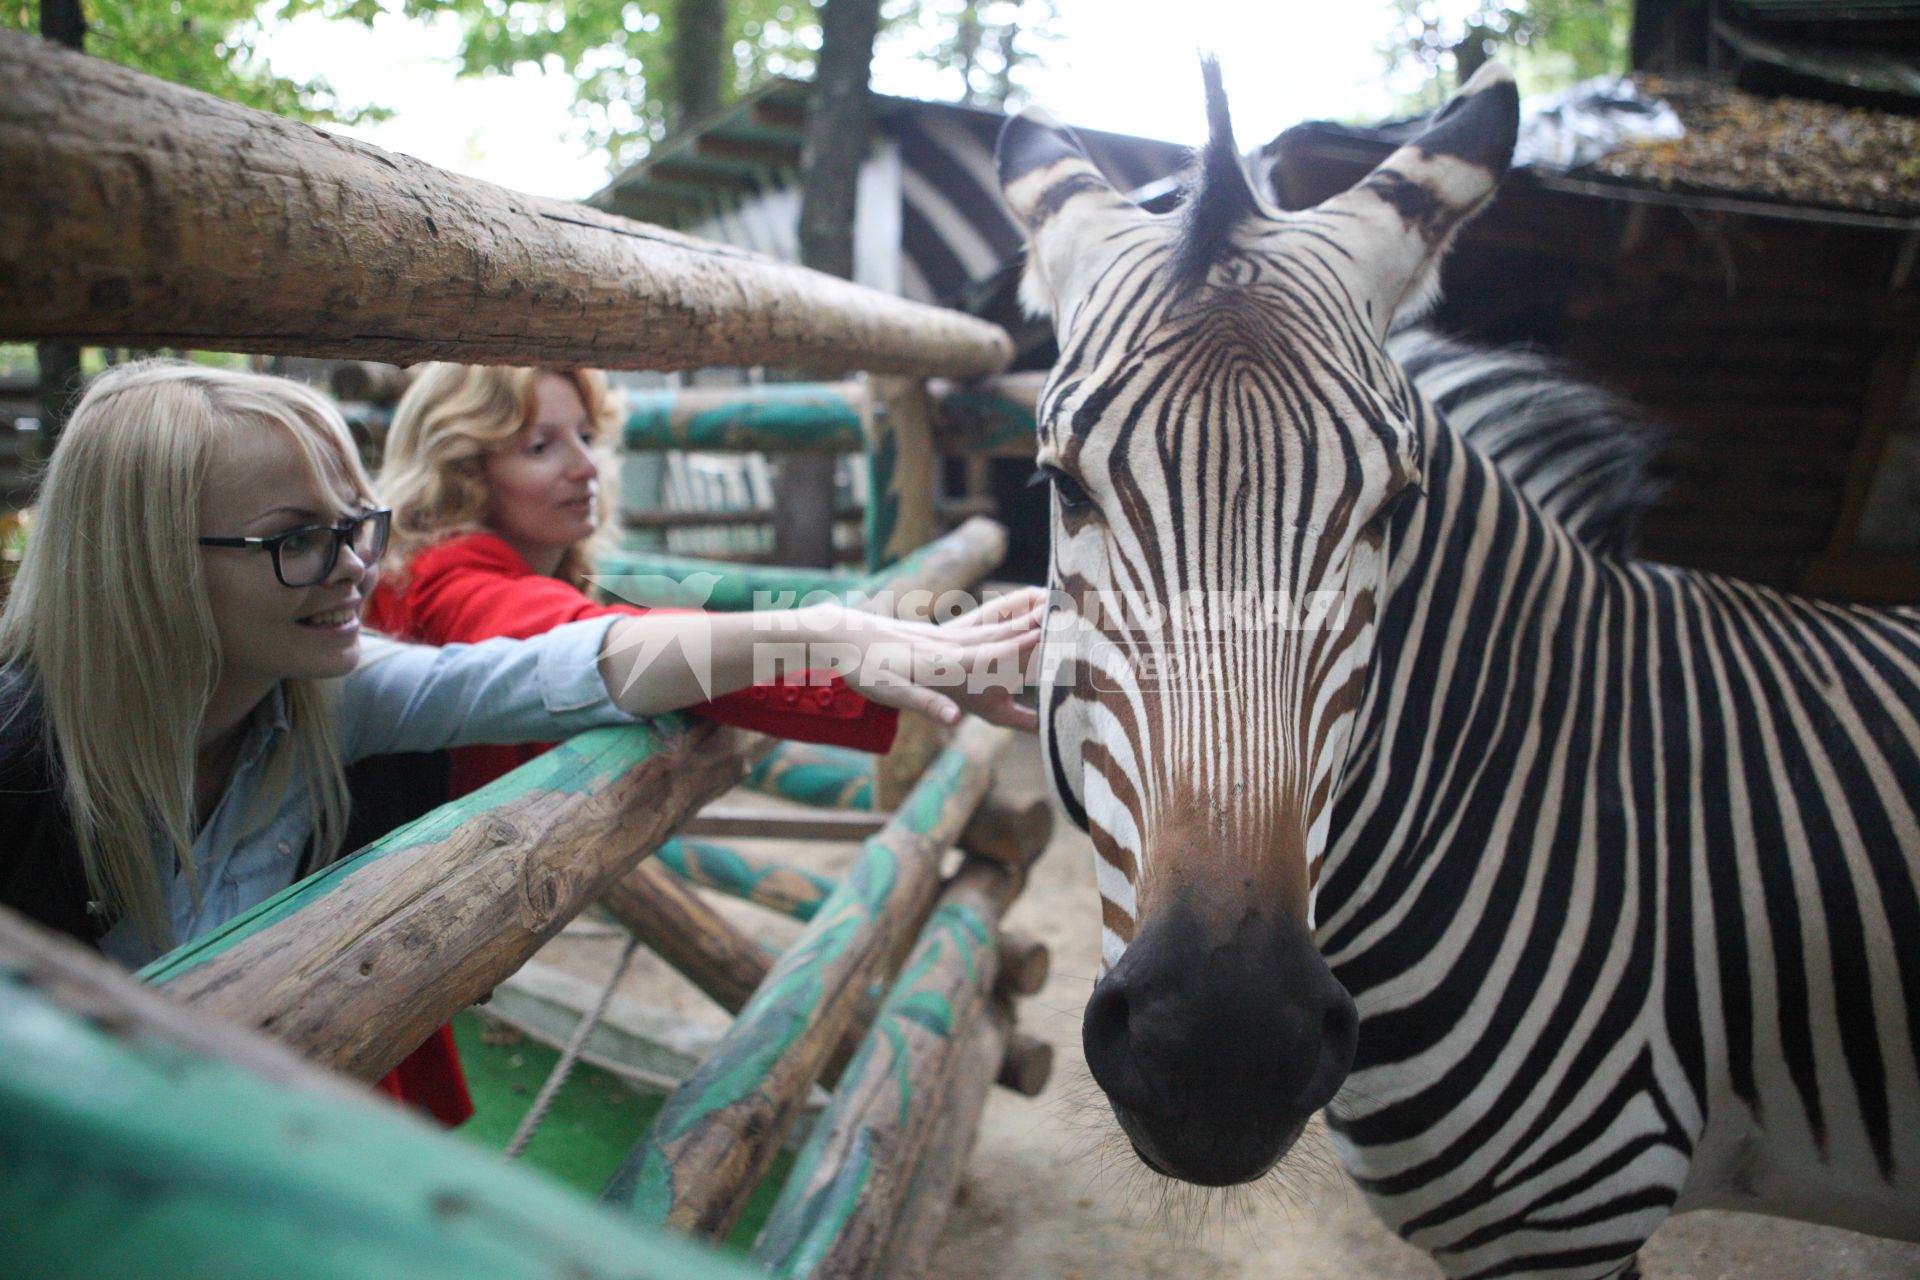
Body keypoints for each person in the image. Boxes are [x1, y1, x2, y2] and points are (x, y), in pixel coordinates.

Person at [0, 361, 1043, 1120]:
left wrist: (838, 629)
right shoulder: (25, 765)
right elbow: (560, 638)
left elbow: (573, 662)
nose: (355, 568)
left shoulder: (331, 685)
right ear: (141, 563)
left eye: (351, 522)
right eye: (294, 537)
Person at [369, 363, 1036, 789]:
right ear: (460, 467)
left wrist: (912, 654)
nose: (587, 465)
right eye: (540, 446)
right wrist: (831, 633)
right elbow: (595, 651)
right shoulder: (444, 582)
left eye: (584, 434)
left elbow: (676, 671)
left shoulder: (460, 569)